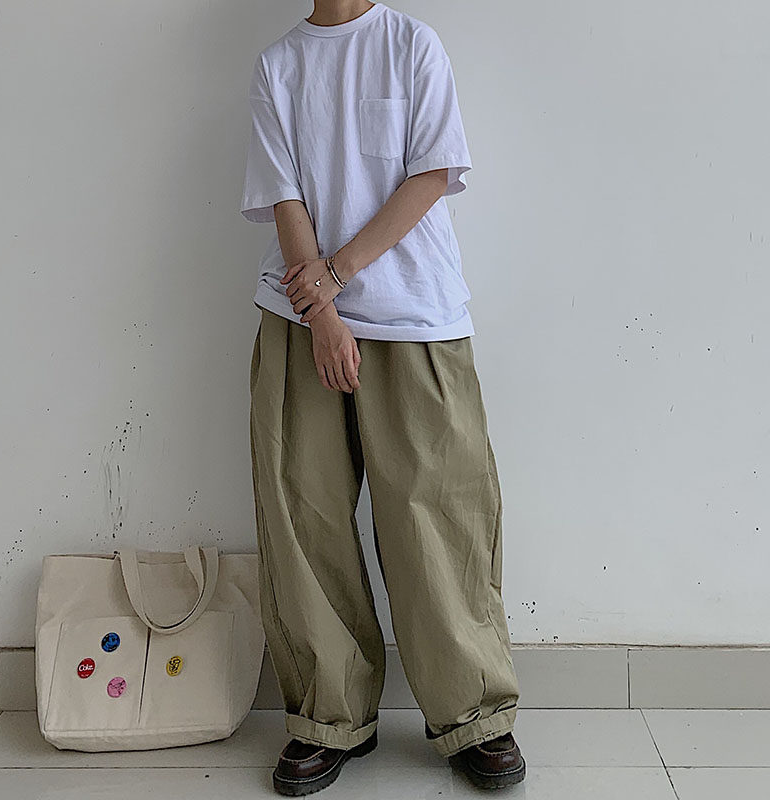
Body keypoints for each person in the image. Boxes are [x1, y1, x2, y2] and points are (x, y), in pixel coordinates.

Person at [240, 1, 525, 794]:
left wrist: (337, 276)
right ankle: (329, 718)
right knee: (306, 516)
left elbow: (431, 174)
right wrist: (324, 314)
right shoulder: (277, 66)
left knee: (441, 513)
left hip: (415, 314)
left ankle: (474, 714)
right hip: (300, 319)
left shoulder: (411, 45)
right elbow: (285, 197)